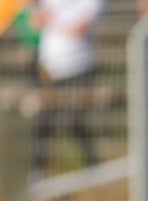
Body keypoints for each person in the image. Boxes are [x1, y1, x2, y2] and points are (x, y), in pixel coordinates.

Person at [28, 0, 103, 179]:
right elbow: (35, 24)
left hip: (78, 67)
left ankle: (93, 167)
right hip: (49, 70)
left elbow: (79, 29)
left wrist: (52, 20)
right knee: (43, 122)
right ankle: (38, 173)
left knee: (73, 121)